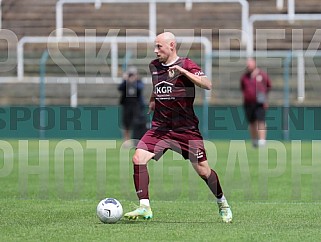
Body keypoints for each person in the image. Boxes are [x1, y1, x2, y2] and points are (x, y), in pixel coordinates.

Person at [124, 32, 232, 223]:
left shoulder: (187, 64)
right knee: (138, 158)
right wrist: (152, 100)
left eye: (159, 46)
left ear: (172, 45)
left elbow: (207, 84)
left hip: (185, 130)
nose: (156, 50)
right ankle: (145, 207)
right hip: (161, 127)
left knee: (203, 171)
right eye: (155, 47)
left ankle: (222, 202)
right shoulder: (154, 66)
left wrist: (184, 73)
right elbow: (157, 86)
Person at [240, 58, 272, 147]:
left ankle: (262, 141)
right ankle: (254, 141)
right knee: (252, 122)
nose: (249, 66)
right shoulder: (244, 77)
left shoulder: (262, 75)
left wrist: (265, 98)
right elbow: (243, 88)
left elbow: (269, 86)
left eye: (250, 64)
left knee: (261, 121)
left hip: (260, 103)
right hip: (248, 103)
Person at [118, 66, 146, 145]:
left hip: (136, 106)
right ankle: (126, 140)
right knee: (126, 124)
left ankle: (136, 139)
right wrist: (125, 80)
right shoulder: (126, 82)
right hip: (127, 105)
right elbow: (120, 88)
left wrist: (133, 82)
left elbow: (140, 88)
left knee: (137, 123)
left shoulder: (138, 82)